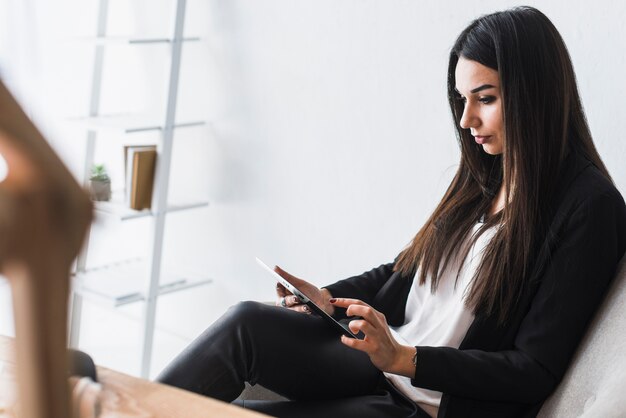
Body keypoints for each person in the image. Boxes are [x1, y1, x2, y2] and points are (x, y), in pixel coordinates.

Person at [157, 6, 626, 418]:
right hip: (384, 364)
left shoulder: (590, 207)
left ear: (536, 95)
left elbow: (533, 369)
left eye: (485, 99)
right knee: (246, 324)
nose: (466, 121)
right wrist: (327, 298)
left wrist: (406, 359)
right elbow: (407, 272)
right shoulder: (487, 174)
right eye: (463, 100)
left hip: (425, 402)